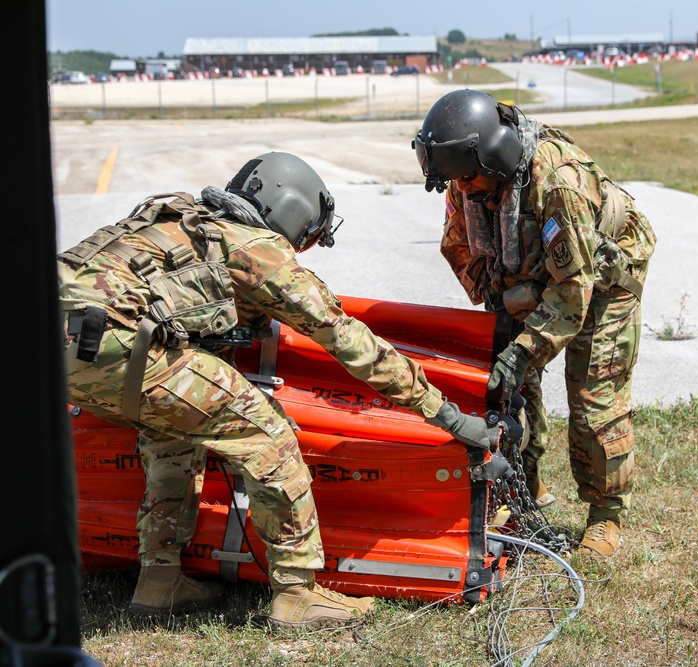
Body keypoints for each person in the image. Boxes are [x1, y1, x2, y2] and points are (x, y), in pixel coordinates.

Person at [58, 152, 490, 629]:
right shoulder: (253, 248)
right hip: (118, 346)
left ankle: (160, 583)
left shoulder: (179, 220)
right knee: (269, 438)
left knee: (171, 437)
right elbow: (345, 338)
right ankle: (297, 593)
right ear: (292, 212)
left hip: (58, 350)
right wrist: (444, 413)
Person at [412, 90, 657, 557]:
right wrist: (499, 298)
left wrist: (524, 346)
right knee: (512, 389)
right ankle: (525, 487)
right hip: (532, 275)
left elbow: (574, 290)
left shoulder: (558, 184)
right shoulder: (466, 176)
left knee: (593, 398)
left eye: (466, 178)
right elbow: (457, 246)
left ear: (495, 155)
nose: (460, 189)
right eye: (454, 180)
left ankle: (605, 516)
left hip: (601, 281)